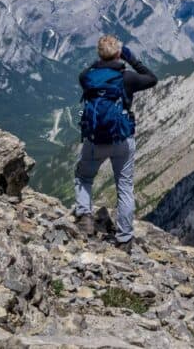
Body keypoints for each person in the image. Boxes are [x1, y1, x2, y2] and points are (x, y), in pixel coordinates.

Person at [73, 35, 157, 252]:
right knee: (125, 187)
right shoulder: (127, 78)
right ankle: (125, 239)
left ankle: (84, 218)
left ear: (99, 54)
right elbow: (151, 78)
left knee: (83, 176)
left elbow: (81, 74)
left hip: (94, 140)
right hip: (122, 139)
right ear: (119, 54)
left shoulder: (88, 78)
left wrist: (97, 63)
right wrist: (130, 59)